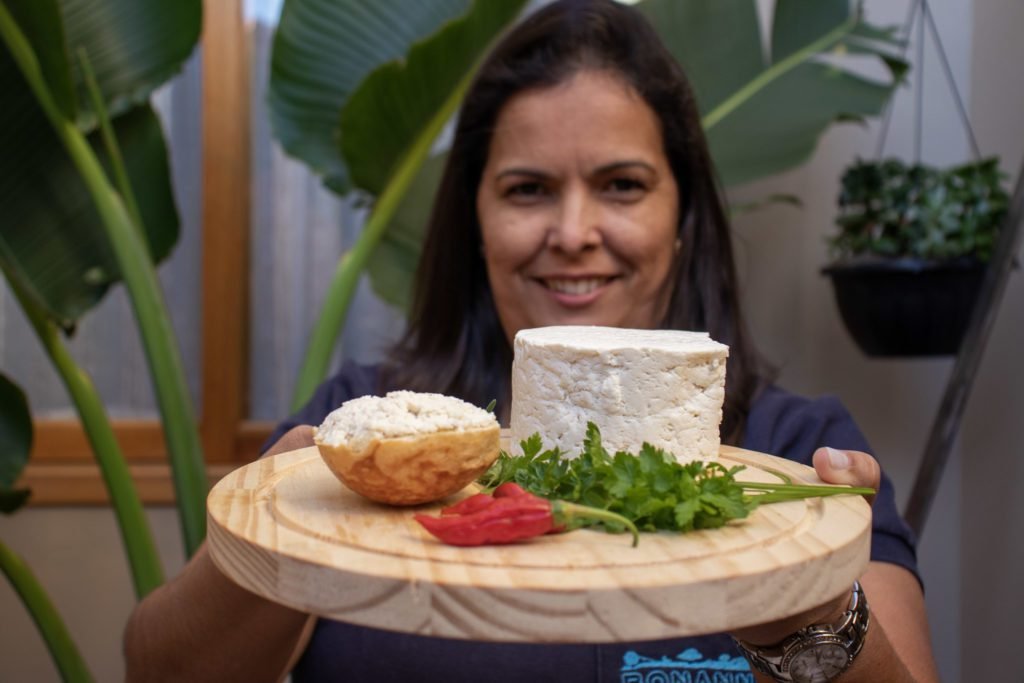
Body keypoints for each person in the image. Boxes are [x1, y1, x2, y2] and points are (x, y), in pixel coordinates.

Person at [124, 1, 939, 681]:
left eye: (622, 185)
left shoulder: (794, 462)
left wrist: (807, 606)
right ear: (475, 223)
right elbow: (159, 671)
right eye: (528, 190)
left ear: (682, 219)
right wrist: (287, 529)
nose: (574, 232)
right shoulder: (363, 440)